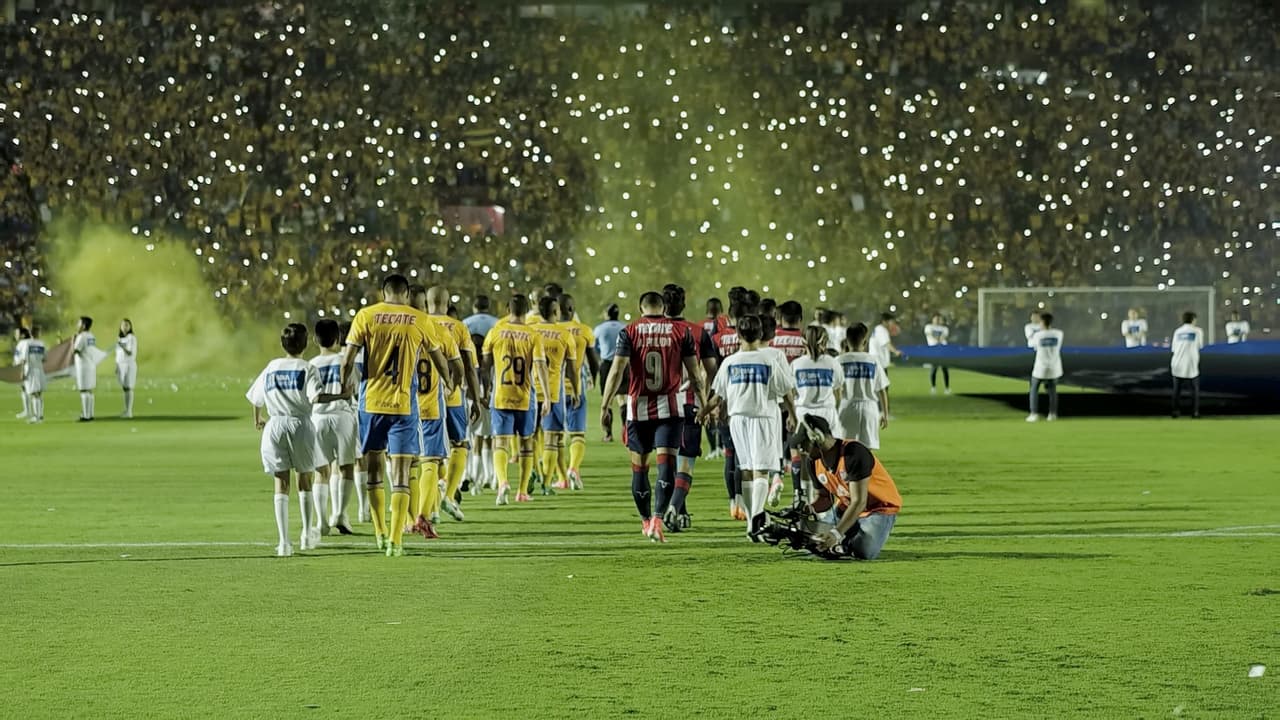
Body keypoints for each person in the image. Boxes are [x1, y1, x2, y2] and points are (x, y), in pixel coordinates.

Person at [339, 273, 451, 557]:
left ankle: (379, 531)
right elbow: (439, 359)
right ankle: (396, 540)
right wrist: (449, 382)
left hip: (372, 404)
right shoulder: (420, 319)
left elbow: (348, 359)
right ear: (407, 293)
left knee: (374, 471)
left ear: (383, 292)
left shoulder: (366, 315)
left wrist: (343, 384)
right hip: (403, 406)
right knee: (401, 475)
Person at [600, 291, 705, 543]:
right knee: (666, 465)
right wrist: (703, 403)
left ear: (641, 308)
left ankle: (646, 520)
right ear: (664, 308)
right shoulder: (681, 331)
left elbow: (617, 370)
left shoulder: (629, 331)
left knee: (640, 468)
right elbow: (695, 374)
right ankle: (658, 520)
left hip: (638, 410)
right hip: (670, 409)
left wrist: (605, 405)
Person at [703, 314, 797, 539]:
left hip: (738, 420)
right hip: (762, 417)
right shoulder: (768, 360)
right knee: (761, 470)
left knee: (745, 469)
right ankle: (756, 518)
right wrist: (793, 415)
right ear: (761, 334)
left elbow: (717, 396)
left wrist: (703, 411)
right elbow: (786, 390)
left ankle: (750, 523)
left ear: (738, 335)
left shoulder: (730, 362)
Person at [246, 324, 325, 557]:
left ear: (283, 344)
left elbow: (256, 398)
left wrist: (258, 419)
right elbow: (316, 396)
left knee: (281, 482)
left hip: (274, 425)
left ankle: (283, 543)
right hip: (300, 424)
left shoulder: (272, 366)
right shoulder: (308, 368)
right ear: (306, 343)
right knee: (304, 479)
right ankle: (306, 536)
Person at [792, 414, 902, 560]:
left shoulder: (854, 453)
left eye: (804, 444)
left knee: (863, 550)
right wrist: (809, 509)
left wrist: (836, 533)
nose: (801, 449)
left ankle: (846, 541)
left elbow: (859, 502)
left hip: (878, 508)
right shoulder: (813, 461)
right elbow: (824, 498)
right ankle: (845, 540)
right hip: (846, 507)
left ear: (818, 438)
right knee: (813, 542)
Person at [482, 294, 552, 507]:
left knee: (501, 443)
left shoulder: (495, 331)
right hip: (525, 396)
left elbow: (485, 364)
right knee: (526, 444)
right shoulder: (533, 335)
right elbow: (540, 366)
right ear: (527, 310)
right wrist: (547, 396)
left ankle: (502, 482)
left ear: (507, 310)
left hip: (501, 395)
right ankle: (521, 491)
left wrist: (485, 389)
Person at [662, 283, 718, 532]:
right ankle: (675, 508)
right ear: (683, 303)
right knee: (686, 463)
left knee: (667, 462)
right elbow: (711, 372)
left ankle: (679, 511)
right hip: (689, 405)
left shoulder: (650, 331)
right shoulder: (697, 332)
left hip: (659, 408)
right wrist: (708, 405)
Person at [426, 285, 484, 521]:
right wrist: (476, 399)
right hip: (453, 398)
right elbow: (469, 367)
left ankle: (432, 508)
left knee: (430, 456)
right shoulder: (459, 327)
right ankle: (448, 496)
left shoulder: (420, 323)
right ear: (448, 303)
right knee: (460, 444)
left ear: (427, 302)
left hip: (425, 399)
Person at [409, 284, 463, 537]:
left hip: (401, 408)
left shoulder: (396, 330)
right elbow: (458, 366)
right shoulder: (439, 330)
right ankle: (423, 515)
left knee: (405, 465)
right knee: (431, 461)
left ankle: (406, 519)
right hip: (431, 407)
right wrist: (453, 385)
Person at [310, 319, 358, 536]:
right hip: (342, 416)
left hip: (318, 418)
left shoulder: (311, 364)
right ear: (338, 339)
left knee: (321, 472)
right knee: (346, 466)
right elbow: (354, 388)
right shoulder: (344, 360)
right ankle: (340, 513)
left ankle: (321, 522)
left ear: (315, 339)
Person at [532, 295, 580, 496]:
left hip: (530, 391)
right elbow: (572, 369)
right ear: (555, 311)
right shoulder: (564, 335)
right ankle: (545, 483)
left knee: (530, 437)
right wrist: (576, 390)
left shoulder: (531, 331)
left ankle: (533, 471)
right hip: (553, 393)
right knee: (552, 439)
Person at [792, 325, 842, 501]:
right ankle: (829, 496)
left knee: (805, 457)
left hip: (804, 414)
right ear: (825, 341)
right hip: (827, 413)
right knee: (829, 458)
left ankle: (805, 499)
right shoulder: (832, 363)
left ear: (803, 342)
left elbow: (793, 391)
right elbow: (838, 389)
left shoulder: (797, 364)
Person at [558, 293, 600, 490]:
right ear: (571, 309)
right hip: (577, 387)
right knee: (577, 434)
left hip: (554, 389)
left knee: (554, 437)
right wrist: (594, 379)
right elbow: (593, 361)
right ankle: (574, 468)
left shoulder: (548, 331)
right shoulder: (585, 331)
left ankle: (561, 478)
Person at [836, 323, 890, 449]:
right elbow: (882, 390)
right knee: (867, 450)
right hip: (869, 409)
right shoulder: (873, 361)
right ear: (865, 342)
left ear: (847, 341)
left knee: (845, 448)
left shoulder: (839, 361)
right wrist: (885, 414)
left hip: (846, 407)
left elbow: (834, 389)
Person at [592, 303, 626, 441]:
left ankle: (608, 434)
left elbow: (594, 347)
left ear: (607, 314)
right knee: (623, 399)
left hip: (606, 364)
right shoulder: (624, 327)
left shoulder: (600, 329)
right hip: (623, 363)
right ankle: (626, 432)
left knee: (608, 399)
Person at [1027, 313, 1064, 422]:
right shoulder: (1059, 333)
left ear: (1042, 322)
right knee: (1052, 391)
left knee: (1034, 389)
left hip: (1040, 367)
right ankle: (1052, 414)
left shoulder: (1038, 335)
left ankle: (1034, 414)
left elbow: (1031, 344)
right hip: (1054, 367)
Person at [1171, 311, 1204, 418]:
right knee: (1194, 391)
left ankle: (1175, 412)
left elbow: (1173, 348)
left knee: (1177, 390)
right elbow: (1200, 345)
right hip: (1191, 364)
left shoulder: (1177, 332)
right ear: (1193, 319)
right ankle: (1195, 412)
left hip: (1177, 363)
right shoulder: (1198, 331)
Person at [72, 316, 100, 422]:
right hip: (91, 365)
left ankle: (85, 415)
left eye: (79, 323)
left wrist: (73, 341)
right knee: (89, 391)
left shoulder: (81, 337)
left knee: (84, 390)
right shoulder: (91, 336)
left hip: (83, 366)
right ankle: (90, 414)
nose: (77, 325)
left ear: (83, 325)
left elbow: (76, 350)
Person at [18, 326, 45, 424]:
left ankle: (36, 417)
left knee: (34, 394)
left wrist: (22, 371)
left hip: (31, 370)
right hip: (40, 369)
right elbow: (45, 358)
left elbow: (23, 359)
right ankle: (40, 415)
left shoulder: (27, 343)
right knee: (39, 393)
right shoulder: (42, 344)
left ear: (30, 333)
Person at [115, 319, 138, 418]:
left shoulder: (131, 338)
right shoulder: (120, 339)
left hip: (128, 364)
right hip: (121, 365)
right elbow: (118, 354)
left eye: (127, 325)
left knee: (129, 387)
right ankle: (126, 409)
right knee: (124, 388)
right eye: (123, 325)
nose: (125, 327)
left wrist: (122, 347)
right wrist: (117, 366)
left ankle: (129, 411)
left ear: (130, 327)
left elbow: (130, 352)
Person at [923, 314, 951, 394]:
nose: (937, 320)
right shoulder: (928, 327)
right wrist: (937, 341)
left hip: (943, 350)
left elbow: (943, 336)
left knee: (945, 369)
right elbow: (930, 334)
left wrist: (939, 340)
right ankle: (933, 387)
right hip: (934, 350)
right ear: (932, 319)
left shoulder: (945, 328)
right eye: (936, 319)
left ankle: (947, 388)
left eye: (939, 319)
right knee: (934, 369)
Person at [13, 327, 31, 419]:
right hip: (21, 368)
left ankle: (29, 412)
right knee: (24, 389)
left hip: (24, 369)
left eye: (17, 333)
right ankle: (26, 411)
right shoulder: (21, 343)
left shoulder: (24, 343)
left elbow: (24, 358)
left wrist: (22, 370)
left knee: (28, 389)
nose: (15, 335)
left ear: (23, 335)